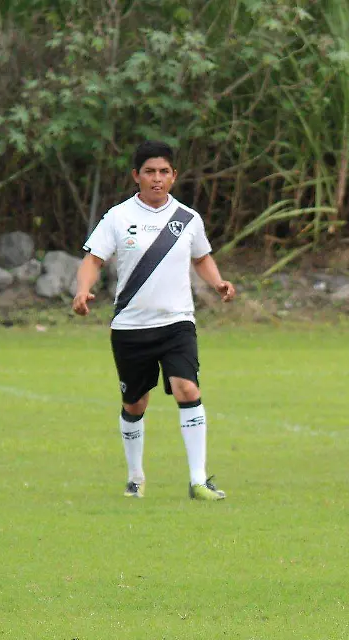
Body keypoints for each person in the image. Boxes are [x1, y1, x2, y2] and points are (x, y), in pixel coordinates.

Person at [73, 140, 236, 500]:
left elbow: (202, 258)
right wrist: (83, 291)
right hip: (131, 327)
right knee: (136, 403)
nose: (157, 179)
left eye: (164, 172)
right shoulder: (118, 217)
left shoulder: (188, 219)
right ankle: (135, 476)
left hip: (177, 323)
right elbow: (93, 259)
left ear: (174, 176)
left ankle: (198, 480)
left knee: (187, 389)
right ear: (136, 176)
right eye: (150, 172)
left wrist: (218, 281)